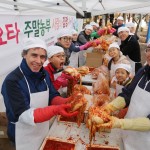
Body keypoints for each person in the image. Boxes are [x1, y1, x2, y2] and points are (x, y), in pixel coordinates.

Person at [1, 37, 78, 150]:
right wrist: (55, 110)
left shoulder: (43, 74)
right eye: (34, 55)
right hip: (22, 135)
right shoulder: (12, 81)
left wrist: (66, 101)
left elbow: (51, 95)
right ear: (24, 55)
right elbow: (24, 115)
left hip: (42, 128)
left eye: (42, 57)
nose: (38, 61)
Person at [92, 41, 150, 150]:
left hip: (145, 141)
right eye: (149, 50)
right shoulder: (143, 72)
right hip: (127, 132)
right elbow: (128, 94)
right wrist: (109, 107)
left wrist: (119, 123)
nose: (149, 54)